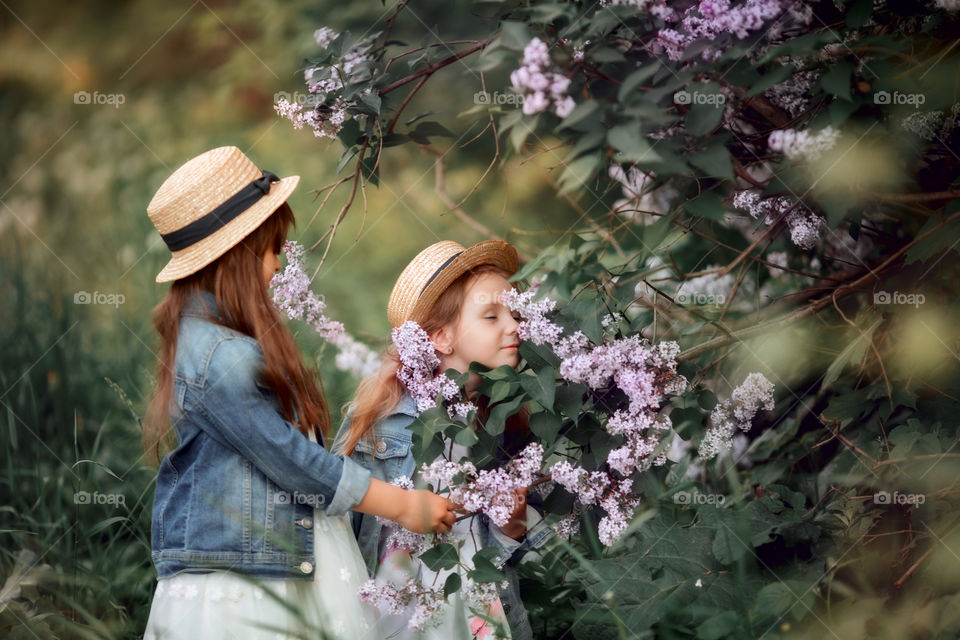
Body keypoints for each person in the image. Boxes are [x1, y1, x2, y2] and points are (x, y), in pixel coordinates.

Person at [140, 146, 456, 640]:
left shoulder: (219, 339)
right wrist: (399, 504)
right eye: (273, 247)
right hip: (247, 578)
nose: (280, 261)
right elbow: (290, 459)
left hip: (281, 555)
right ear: (240, 255)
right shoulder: (220, 356)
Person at [334, 240, 554, 640]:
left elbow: (512, 552)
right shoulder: (381, 425)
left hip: (480, 614)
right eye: (491, 316)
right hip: (397, 615)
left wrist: (512, 527)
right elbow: (338, 525)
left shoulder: (502, 422)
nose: (515, 326)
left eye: (514, 312)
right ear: (441, 338)